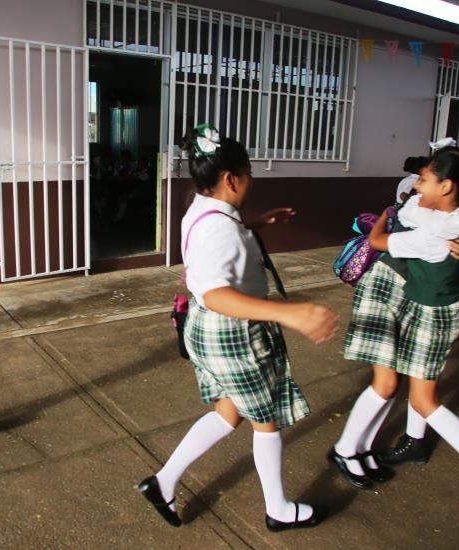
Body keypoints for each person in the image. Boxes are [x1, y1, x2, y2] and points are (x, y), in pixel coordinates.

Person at [136, 124, 338, 531]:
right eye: (248, 172)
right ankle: (279, 510)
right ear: (231, 178)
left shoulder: (204, 209)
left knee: (229, 413)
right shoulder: (221, 228)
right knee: (266, 419)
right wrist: (289, 313)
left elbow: (217, 252)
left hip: (207, 331)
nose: (252, 179)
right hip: (234, 334)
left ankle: (163, 483)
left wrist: (256, 224)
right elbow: (215, 293)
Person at [331, 152, 459, 512]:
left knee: (418, 397)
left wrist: (384, 216)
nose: (416, 183)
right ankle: (354, 449)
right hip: (406, 298)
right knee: (398, 388)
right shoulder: (437, 214)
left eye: (425, 178)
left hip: (430, 313)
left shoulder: (438, 229)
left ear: (447, 185)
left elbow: (381, 241)